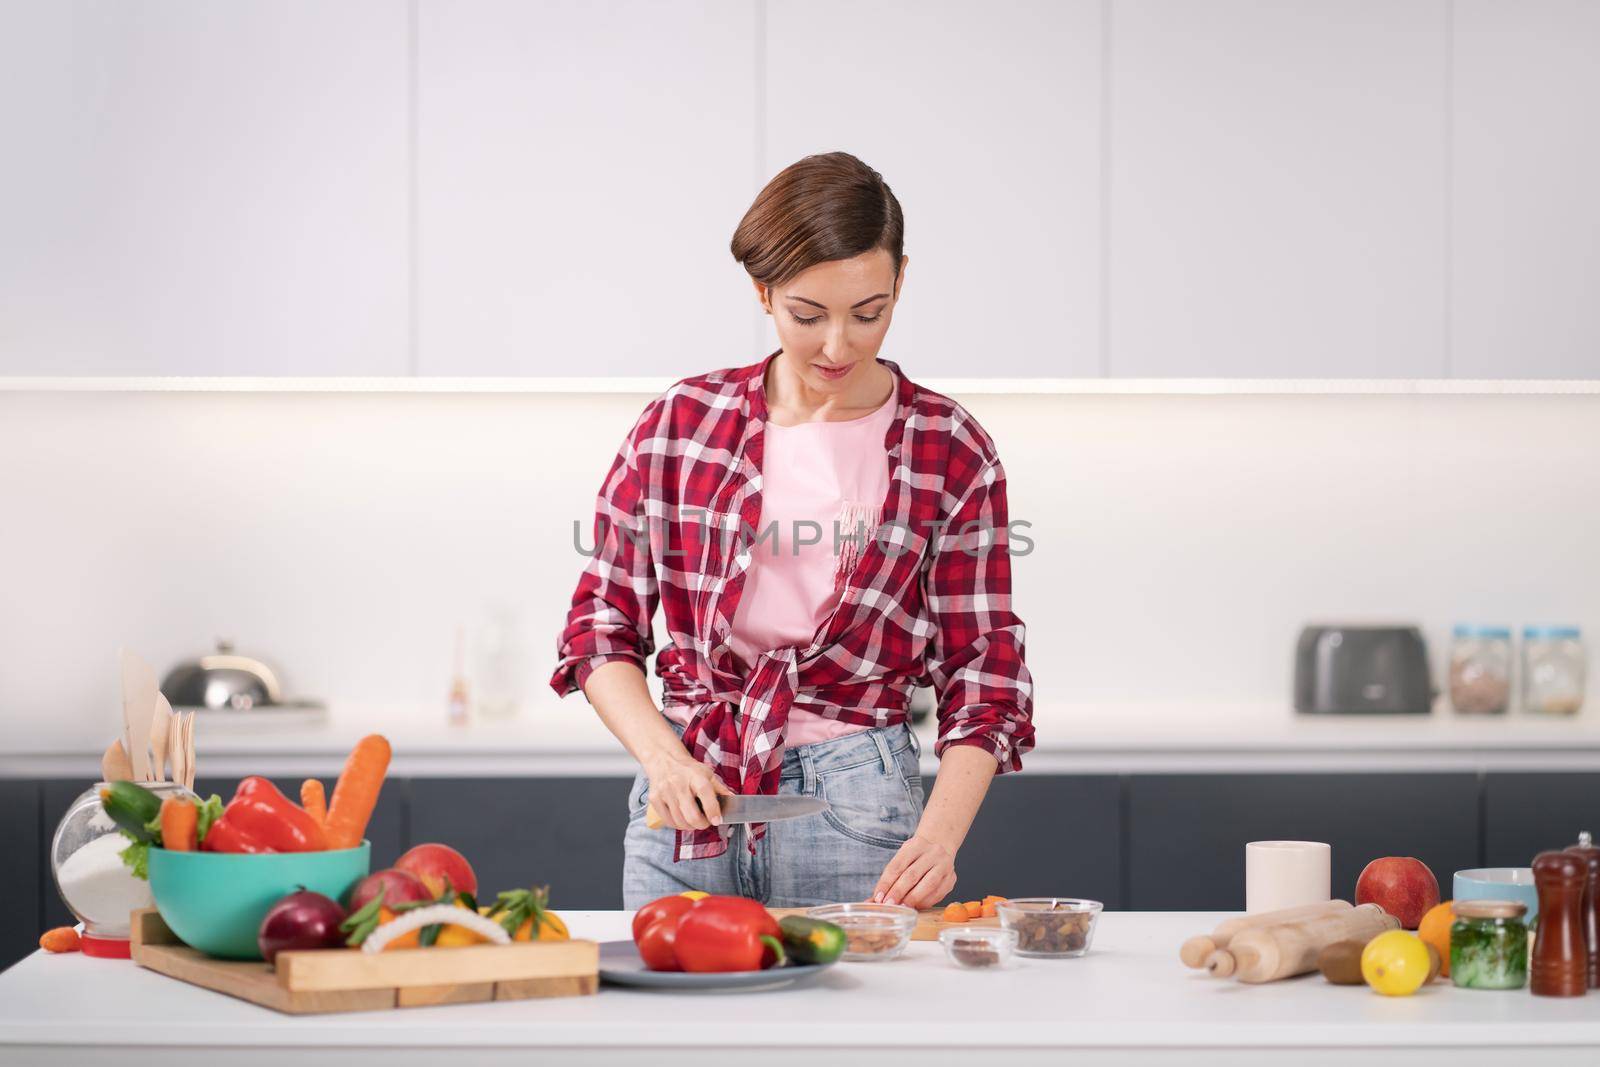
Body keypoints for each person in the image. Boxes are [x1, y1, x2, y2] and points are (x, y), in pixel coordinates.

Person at [551, 151, 1035, 910]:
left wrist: (938, 839)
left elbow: (983, 668)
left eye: (868, 312)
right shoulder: (681, 423)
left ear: (901, 281)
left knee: (844, 1026)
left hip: (856, 804)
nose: (839, 346)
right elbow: (599, 625)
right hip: (687, 791)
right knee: (670, 1025)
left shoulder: (950, 446)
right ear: (763, 290)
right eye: (808, 315)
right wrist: (663, 758)